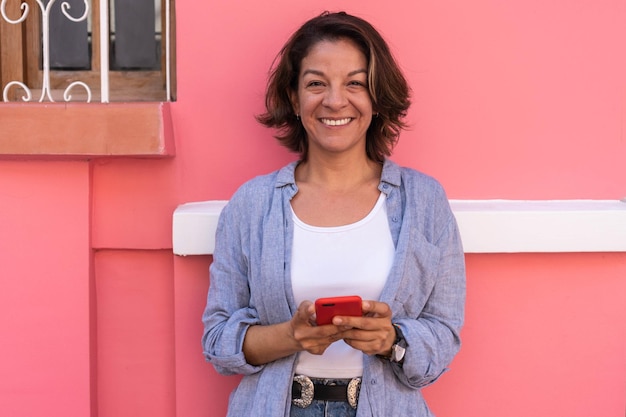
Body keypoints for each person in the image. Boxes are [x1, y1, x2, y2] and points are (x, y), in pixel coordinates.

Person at [202, 11, 465, 417]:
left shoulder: (424, 201)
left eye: (355, 83)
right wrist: (291, 335)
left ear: (376, 96)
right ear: (294, 97)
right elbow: (219, 341)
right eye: (316, 84)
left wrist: (391, 339)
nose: (335, 100)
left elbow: (443, 335)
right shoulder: (251, 205)